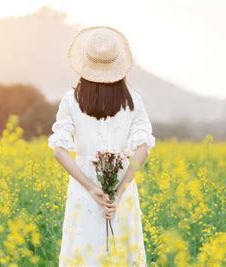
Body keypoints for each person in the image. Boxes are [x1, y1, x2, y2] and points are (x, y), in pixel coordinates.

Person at [47, 25, 156, 266]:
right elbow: (143, 150)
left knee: (83, 254)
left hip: (83, 191)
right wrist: (117, 194)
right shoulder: (133, 101)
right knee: (122, 253)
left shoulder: (71, 100)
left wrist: (90, 187)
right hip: (122, 189)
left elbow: (59, 151)